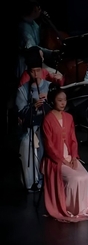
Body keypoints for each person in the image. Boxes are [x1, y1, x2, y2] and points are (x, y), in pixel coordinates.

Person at [41, 88, 88, 222]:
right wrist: (63, 160)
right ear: (53, 101)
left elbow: (73, 139)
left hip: (69, 156)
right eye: (59, 100)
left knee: (85, 176)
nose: (63, 103)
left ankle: (82, 207)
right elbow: (49, 146)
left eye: (65, 100)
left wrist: (73, 157)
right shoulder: (48, 120)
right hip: (55, 160)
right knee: (75, 178)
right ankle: (69, 208)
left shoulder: (69, 117)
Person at [17, 50, 52, 191]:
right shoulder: (23, 90)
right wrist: (33, 107)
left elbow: (59, 108)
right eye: (32, 71)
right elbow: (21, 113)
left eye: (38, 70)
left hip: (48, 126)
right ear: (28, 72)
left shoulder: (50, 86)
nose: (36, 74)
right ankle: (33, 181)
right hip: (32, 127)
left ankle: (50, 179)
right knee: (27, 144)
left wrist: (49, 102)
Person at [17, 0, 61, 81]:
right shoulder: (24, 27)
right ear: (34, 9)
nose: (40, 10)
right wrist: (51, 53)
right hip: (28, 65)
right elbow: (32, 48)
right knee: (58, 77)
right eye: (38, 7)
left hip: (37, 62)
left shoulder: (34, 23)